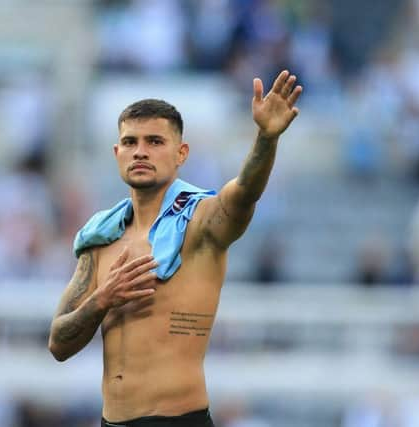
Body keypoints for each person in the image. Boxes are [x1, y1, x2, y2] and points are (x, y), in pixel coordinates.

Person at [48, 70, 302, 427]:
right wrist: (102, 299)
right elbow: (59, 343)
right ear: (117, 152)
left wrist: (266, 138)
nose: (140, 152)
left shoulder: (199, 222)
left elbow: (244, 193)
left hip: (178, 419)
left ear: (181, 153)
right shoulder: (101, 236)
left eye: (155, 141)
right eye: (131, 142)